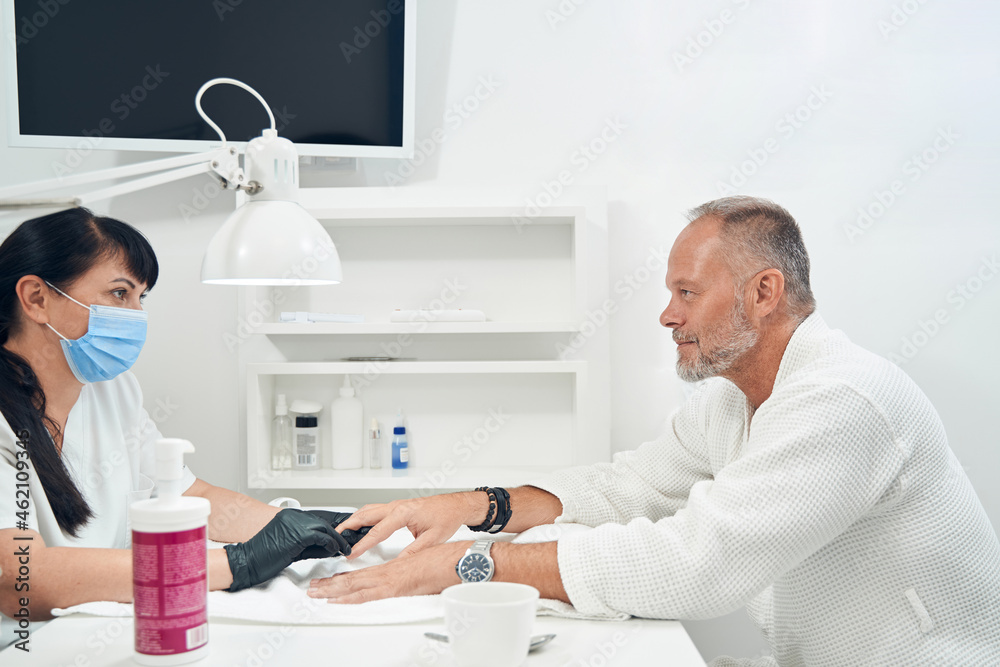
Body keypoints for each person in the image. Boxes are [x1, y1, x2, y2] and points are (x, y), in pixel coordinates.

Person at [309, 196, 1000, 666]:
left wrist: (470, 563)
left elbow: (698, 564)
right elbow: (627, 485)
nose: (667, 315)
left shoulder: (843, 401)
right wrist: (470, 507)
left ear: (764, 292)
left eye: (688, 293)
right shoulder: (735, 398)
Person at [0, 208, 355, 648]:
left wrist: (304, 525)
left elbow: (189, 494)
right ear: (36, 298)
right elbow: (21, 577)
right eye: (119, 293)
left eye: (140, 298)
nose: (136, 315)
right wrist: (238, 563)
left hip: (96, 629)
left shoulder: (114, 393)